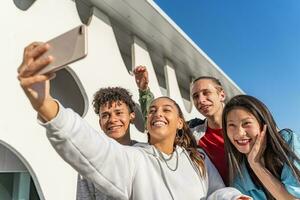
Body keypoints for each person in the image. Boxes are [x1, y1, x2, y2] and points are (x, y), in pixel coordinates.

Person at [17, 42, 248, 200]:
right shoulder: (135, 159)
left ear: (180, 122)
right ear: (146, 123)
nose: (157, 114)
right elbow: (94, 149)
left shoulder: (198, 157)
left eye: (167, 109)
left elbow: (217, 192)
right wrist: (46, 105)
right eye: (152, 111)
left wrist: (235, 197)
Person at [134, 65, 228, 184]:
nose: (201, 100)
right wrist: (144, 91)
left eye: (206, 93)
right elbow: (161, 122)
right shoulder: (193, 130)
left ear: (222, 95)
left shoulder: (245, 127)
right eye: (196, 96)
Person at [222, 94, 300, 199]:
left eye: (246, 123)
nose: (239, 133)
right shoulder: (240, 178)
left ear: (263, 124)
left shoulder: (286, 141)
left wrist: (256, 165)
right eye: (231, 125)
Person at [77, 87, 136, 200]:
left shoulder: (146, 153)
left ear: (131, 116)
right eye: (105, 115)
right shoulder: (89, 162)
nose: (112, 119)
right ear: (100, 123)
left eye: (118, 113)